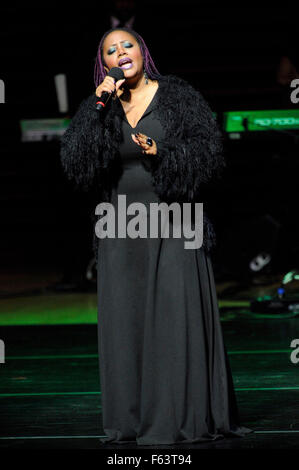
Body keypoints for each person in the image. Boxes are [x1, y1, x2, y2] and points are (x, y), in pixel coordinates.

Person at [60, 26, 253, 445]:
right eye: (110, 50)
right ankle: (130, 421)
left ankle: (182, 418)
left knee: (174, 319)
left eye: (126, 44)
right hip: (121, 227)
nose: (120, 52)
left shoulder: (178, 96)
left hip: (175, 223)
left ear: (142, 51)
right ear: (104, 63)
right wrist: (97, 106)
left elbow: (209, 156)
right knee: (126, 324)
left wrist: (160, 152)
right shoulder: (101, 104)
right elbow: (76, 161)